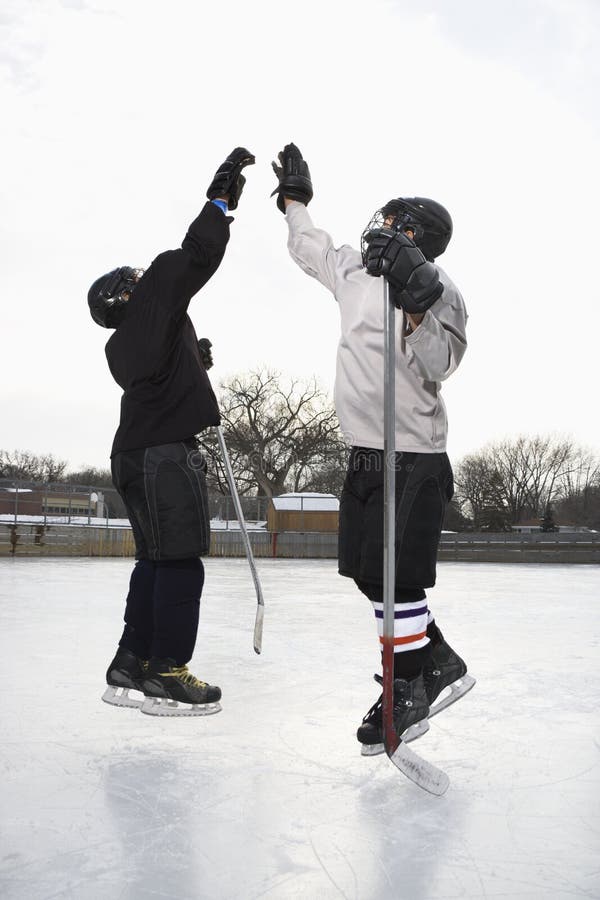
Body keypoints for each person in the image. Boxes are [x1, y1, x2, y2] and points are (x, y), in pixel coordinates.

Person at [271, 143, 475, 753]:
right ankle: (433, 658)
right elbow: (310, 250)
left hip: (412, 455)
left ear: (416, 236)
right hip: (361, 451)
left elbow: (441, 364)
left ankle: (406, 687)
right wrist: (295, 205)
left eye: (392, 223)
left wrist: (415, 305)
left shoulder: (443, 292)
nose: (379, 229)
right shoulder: (355, 271)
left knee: (397, 580)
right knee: (369, 577)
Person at [89, 147, 255, 717]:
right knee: (181, 561)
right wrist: (219, 202)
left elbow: (159, 372)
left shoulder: (119, 347)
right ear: (127, 295)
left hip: (131, 457)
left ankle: (130, 660)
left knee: (154, 560)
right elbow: (195, 257)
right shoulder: (155, 292)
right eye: (133, 279)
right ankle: (167, 670)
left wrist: (190, 357)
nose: (143, 275)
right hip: (164, 459)